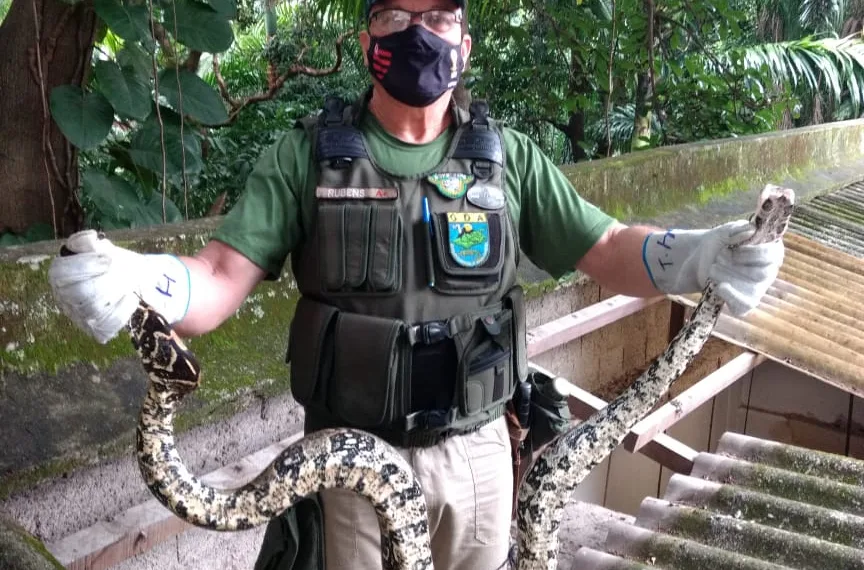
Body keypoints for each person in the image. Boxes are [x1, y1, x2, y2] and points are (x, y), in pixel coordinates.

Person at [47, 0, 785, 568]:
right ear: (370, 37)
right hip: (351, 454)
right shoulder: (305, 157)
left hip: (483, 453)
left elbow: (608, 246)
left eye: (438, 17)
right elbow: (214, 277)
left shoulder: (507, 159)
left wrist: (700, 256)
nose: (419, 34)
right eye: (397, 15)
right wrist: (146, 281)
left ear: (464, 41)